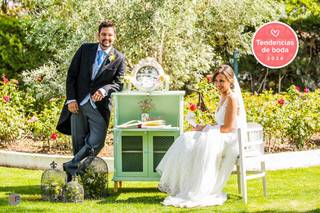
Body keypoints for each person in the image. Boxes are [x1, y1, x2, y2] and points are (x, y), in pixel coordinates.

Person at [156, 64, 247, 208]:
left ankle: (199, 188)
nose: (218, 84)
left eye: (222, 81)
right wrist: (203, 127)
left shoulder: (232, 98)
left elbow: (228, 127)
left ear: (230, 80)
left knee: (196, 142)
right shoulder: (223, 96)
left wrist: (207, 129)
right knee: (186, 139)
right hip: (220, 133)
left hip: (229, 138)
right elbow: (220, 123)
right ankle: (186, 185)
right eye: (217, 81)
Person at [56, 21, 126, 181]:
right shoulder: (85, 49)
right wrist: (71, 99)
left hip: (99, 108)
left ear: (114, 37)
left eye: (109, 35)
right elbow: (72, 75)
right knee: (78, 142)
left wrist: (104, 90)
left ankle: (72, 165)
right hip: (78, 104)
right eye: (103, 34)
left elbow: (119, 84)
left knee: (97, 141)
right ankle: (75, 180)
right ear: (98, 35)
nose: (106, 38)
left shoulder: (119, 58)